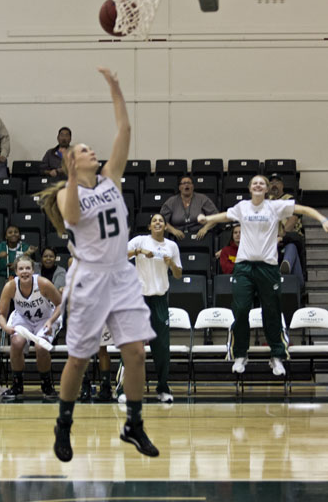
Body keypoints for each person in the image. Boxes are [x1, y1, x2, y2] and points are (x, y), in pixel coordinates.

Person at [38, 67, 159, 461]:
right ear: (73, 162)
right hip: (88, 277)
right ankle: (64, 423)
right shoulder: (64, 194)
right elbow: (71, 216)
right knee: (79, 357)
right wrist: (70, 179)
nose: (91, 151)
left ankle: (134, 423)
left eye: (90, 148)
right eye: (83, 150)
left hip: (121, 275)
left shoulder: (111, 179)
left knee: (136, 352)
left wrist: (116, 88)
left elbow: (124, 131)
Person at [198, 174, 328, 377]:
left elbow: (302, 209)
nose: (258, 185)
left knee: (272, 312)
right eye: (255, 183)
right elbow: (225, 216)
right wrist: (208, 219)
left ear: (266, 189)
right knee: (240, 310)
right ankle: (240, 354)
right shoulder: (242, 207)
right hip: (244, 268)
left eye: (262, 183)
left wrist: (321, 218)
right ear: (250, 188)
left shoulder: (275, 207)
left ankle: (276, 356)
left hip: (268, 268)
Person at [117, 213, 182, 404]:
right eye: (154, 220)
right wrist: (138, 252)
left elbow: (178, 274)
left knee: (162, 347)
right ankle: (123, 389)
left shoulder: (172, 246)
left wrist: (171, 264)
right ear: (149, 226)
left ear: (165, 226)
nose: (158, 223)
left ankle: (162, 388)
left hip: (160, 300)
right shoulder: (140, 241)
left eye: (161, 220)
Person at [0, 255, 62, 399]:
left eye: (28, 268)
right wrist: (5, 328)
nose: (25, 271)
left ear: (33, 270)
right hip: (23, 319)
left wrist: (51, 321)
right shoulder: (10, 286)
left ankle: (46, 385)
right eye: (21, 268)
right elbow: (1, 314)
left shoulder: (43, 283)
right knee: (16, 342)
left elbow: (60, 305)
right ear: (16, 271)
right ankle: (17, 385)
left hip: (45, 319)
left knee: (41, 346)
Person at [268, 173, 305, 288]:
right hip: (272, 241)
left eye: (277, 183)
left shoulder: (289, 199)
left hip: (290, 237)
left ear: (282, 185)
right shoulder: (266, 202)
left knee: (291, 244)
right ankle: (299, 284)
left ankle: (287, 267)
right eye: (271, 183)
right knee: (291, 250)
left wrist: (281, 236)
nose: (274, 185)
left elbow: (293, 219)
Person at [160, 175, 218, 240]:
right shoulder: (171, 201)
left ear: (193, 186)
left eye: (189, 183)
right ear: (179, 187)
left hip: (200, 236)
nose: (186, 185)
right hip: (177, 237)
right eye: (184, 183)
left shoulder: (202, 199)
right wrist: (173, 231)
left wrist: (205, 228)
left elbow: (215, 216)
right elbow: (162, 221)